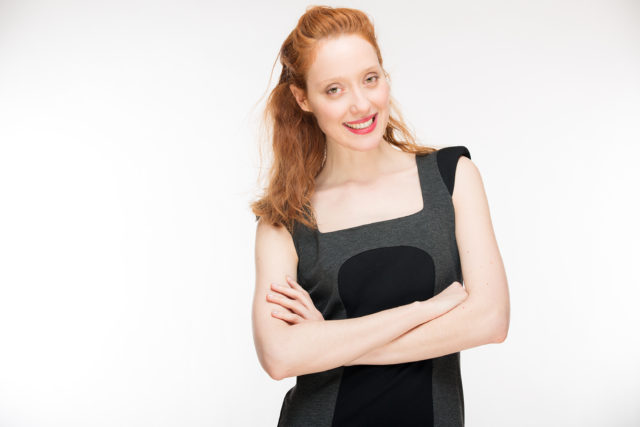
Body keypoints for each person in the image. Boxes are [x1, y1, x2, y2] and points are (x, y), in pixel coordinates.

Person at [250, 5, 510, 427]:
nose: (360, 104)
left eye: (370, 79)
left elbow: (491, 319)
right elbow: (279, 356)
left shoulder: (452, 178)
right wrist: (425, 309)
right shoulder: (285, 218)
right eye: (334, 89)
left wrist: (327, 341)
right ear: (303, 99)